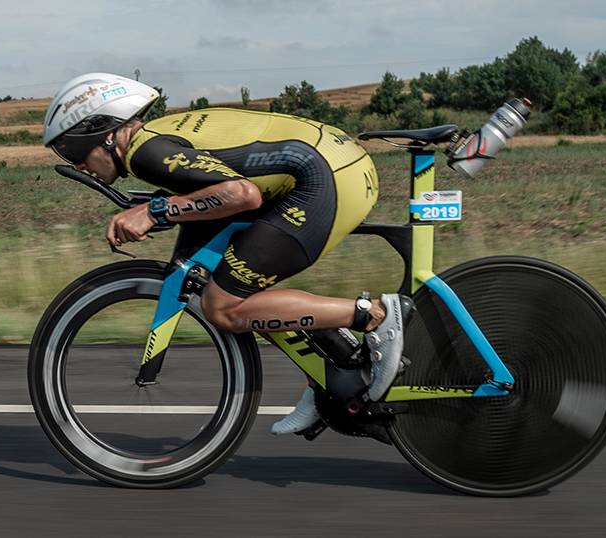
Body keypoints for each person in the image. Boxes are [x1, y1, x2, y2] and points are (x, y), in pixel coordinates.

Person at [42, 73, 410, 435]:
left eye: (72, 150)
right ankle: (331, 374)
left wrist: (154, 212)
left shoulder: (145, 154)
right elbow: (218, 185)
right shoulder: (153, 138)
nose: (76, 165)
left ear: (105, 133)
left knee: (223, 306)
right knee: (238, 288)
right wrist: (165, 205)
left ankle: (374, 315)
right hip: (330, 168)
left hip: (323, 179)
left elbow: (242, 195)